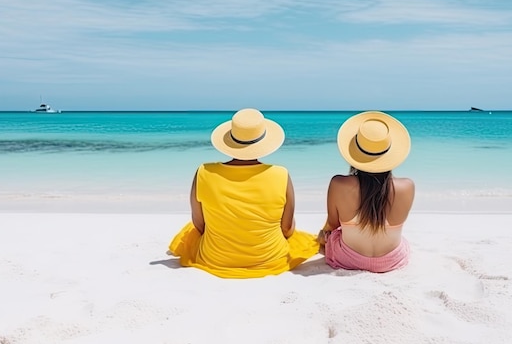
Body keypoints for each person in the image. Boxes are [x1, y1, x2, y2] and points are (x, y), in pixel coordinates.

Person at [168, 108, 319, 278]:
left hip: (216, 259)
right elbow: (287, 229)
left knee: (190, 232)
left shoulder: (204, 172)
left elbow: (199, 224)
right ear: (263, 143)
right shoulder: (280, 174)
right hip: (270, 258)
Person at [318, 111, 414, 273]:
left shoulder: (338, 184)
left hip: (348, 258)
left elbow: (332, 226)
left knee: (329, 236)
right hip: (391, 260)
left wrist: (322, 235)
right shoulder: (407, 186)